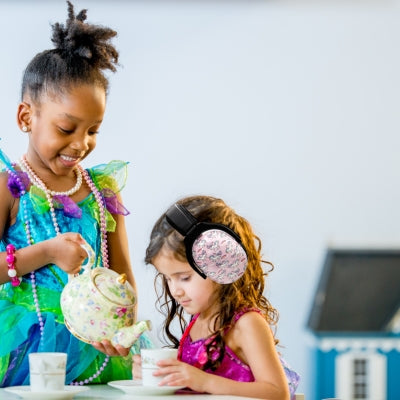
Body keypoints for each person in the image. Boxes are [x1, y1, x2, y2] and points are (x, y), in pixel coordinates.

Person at [0, 1, 141, 387]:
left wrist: (122, 324)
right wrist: (46, 252)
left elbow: (123, 273)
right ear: (26, 117)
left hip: (94, 355)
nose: (81, 144)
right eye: (67, 129)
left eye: (93, 130)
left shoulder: (102, 190)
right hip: (25, 357)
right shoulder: (10, 186)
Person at [133, 195, 300, 400]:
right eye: (167, 279)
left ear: (222, 263)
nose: (175, 290)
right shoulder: (198, 321)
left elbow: (277, 393)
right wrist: (160, 375)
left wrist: (204, 381)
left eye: (184, 278)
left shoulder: (246, 324)